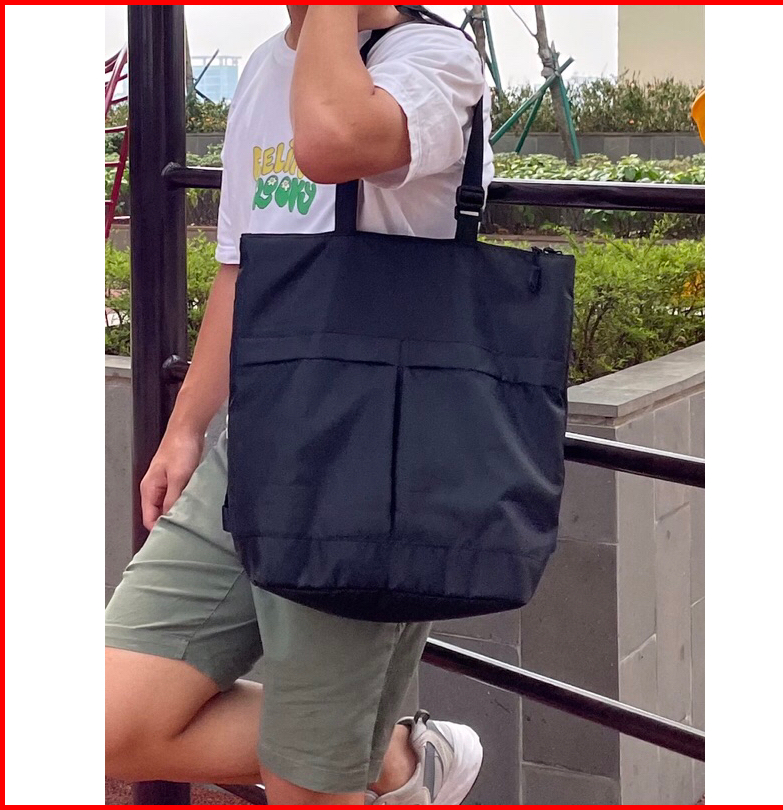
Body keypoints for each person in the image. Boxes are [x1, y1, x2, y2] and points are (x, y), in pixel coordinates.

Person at [105, 5, 494, 805]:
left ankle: (345, 755)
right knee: (106, 719)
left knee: (306, 786)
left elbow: (330, 142)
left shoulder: (433, 59)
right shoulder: (263, 68)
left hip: (371, 461)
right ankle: (395, 760)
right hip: (257, 440)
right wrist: (186, 427)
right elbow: (241, 267)